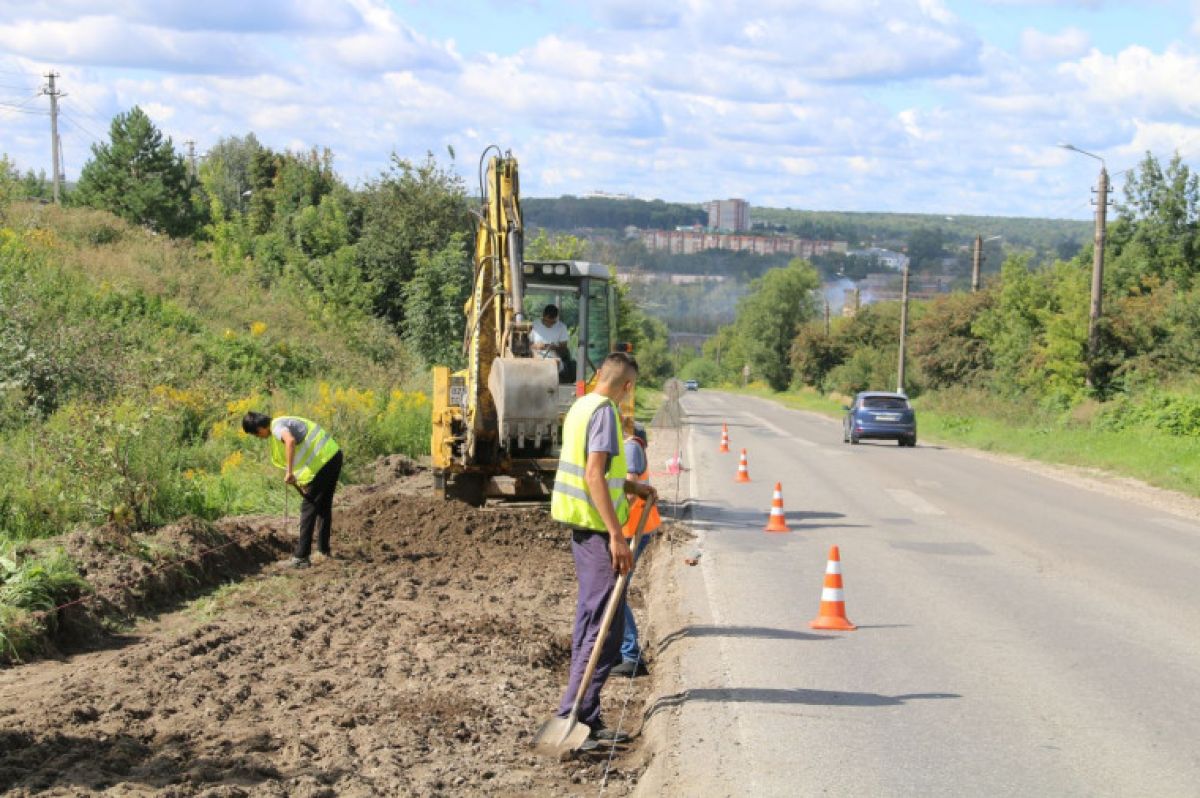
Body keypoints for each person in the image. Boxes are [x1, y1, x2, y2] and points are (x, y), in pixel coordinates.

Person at [549, 352, 656, 749]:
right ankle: (573, 715)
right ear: (627, 386)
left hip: (583, 530)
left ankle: (587, 717)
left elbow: (599, 474)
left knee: (593, 623)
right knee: (603, 631)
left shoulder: (580, 405)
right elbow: (593, 473)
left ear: (599, 375)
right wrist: (616, 534)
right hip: (597, 533)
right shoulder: (606, 413)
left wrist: (633, 488)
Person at [242, 411, 343, 569]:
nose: (258, 437)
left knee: (308, 508)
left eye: (256, 434)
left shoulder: (276, 426)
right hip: (333, 456)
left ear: (259, 427)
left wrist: (289, 472)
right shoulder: (282, 423)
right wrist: (302, 480)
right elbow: (303, 456)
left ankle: (301, 557)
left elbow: (290, 441)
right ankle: (323, 551)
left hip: (324, 463)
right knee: (323, 506)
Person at [611, 418, 661, 677]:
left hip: (632, 530)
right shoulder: (627, 446)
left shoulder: (630, 448)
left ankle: (631, 655)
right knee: (615, 589)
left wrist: (615, 526)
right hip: (631, 529)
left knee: (616, 590)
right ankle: (622, 651)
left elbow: (630, 492)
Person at [531, 304, 574, 383]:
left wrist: (552, 347)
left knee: (553, 364)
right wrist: (535, 346)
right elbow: (526, 345)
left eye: (552, 322)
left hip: (554, 358)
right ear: (543, 316)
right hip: (536, 357)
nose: (550, 324)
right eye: (547, 321)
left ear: (556, 318)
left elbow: (564, 348)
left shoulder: (561, 327)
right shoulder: (534, 325)